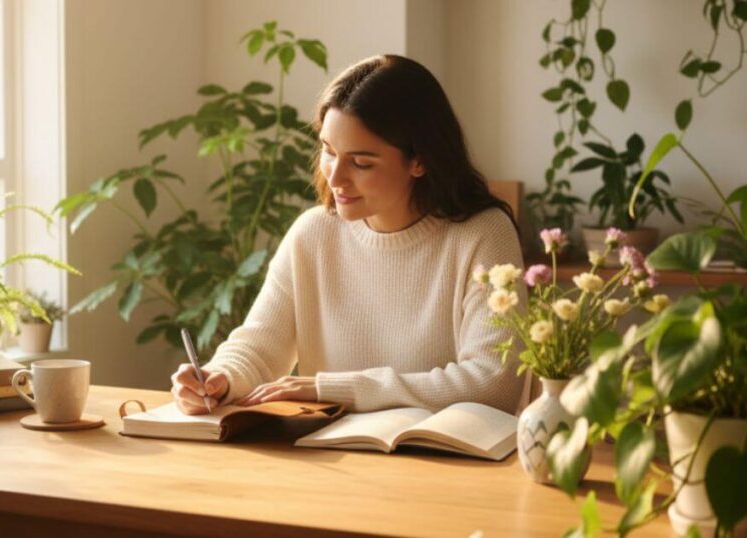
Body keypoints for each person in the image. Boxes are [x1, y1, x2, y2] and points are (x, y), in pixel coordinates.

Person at [171, 54, 525, 416]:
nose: (335, 177)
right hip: (331, 459)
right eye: (328, 151)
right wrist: (219, 379)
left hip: (445, 462)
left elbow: (493, 383)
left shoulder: (482, 234)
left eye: (361, 162)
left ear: (420, 160)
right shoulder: (313, 234)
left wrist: (336, 389)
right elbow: (260, 348)